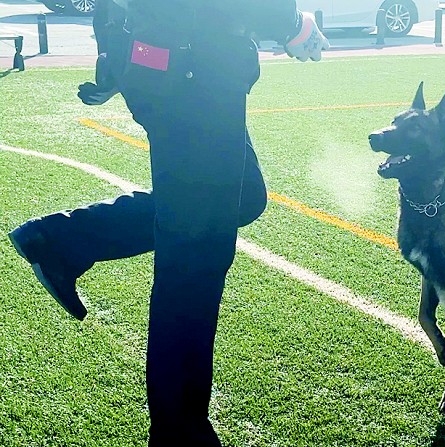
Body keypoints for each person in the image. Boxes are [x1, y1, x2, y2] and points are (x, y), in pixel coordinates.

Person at [8, 1, 329, 445]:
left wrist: (115, 57)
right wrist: (291, 24)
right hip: (195, 72)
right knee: (193, 257)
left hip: (167, 64)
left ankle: (63, 239)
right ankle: (179, 436)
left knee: (241, 197)